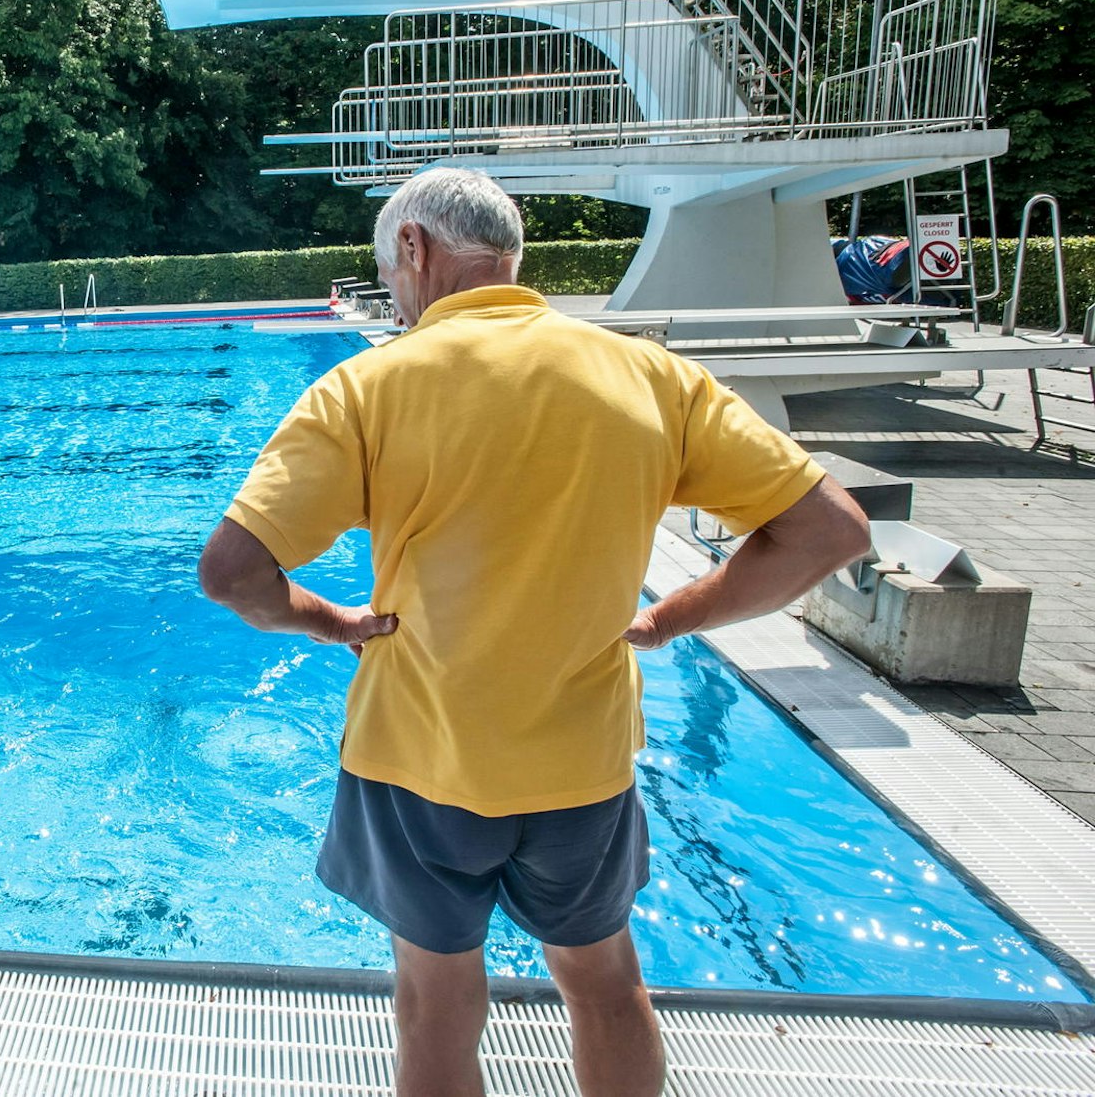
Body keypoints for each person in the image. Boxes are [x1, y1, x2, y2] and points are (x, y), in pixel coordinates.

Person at [197, 167, 869, 1097]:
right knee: (602, 980)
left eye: (390, 273)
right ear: (509, 257)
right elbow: (830, 529)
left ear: (414, 249)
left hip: (418, 757)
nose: (394, 295)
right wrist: (673, 617)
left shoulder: (368, 387)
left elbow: (232, 572)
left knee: (436, 999)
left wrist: (331, 621)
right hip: (581, 762)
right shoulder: (649, 375)